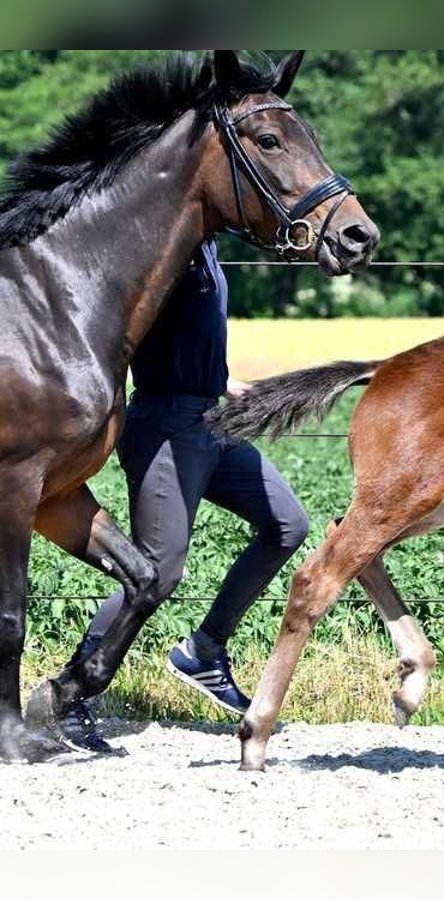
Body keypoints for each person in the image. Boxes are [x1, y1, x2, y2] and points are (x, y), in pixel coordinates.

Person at [57, 238, 310, 753]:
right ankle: (68, 697)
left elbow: (192, 339)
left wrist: (226, 382)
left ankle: (205, 651)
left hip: (212, 418)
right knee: (155, 569)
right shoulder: (160, 246)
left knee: (287, 523)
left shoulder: (207, 249)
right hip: (166, 426)